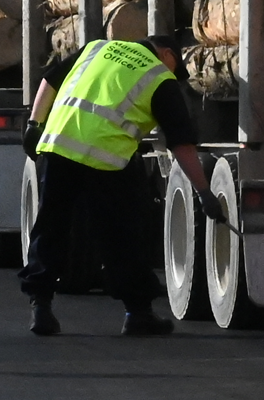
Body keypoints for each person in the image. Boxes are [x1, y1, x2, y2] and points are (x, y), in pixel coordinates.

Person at [18, 35, 224, 336]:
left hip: (58, 148)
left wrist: (34, 124)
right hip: (107, 161)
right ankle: (137, 312)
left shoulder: (97, 48)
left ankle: (41, 307)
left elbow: (50, 80)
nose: (173, 75)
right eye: (175, 67)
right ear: (167, 54)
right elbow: (181, 144)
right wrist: (204, 192)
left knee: (51, 228)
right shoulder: (159, 78)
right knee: (122, 237)